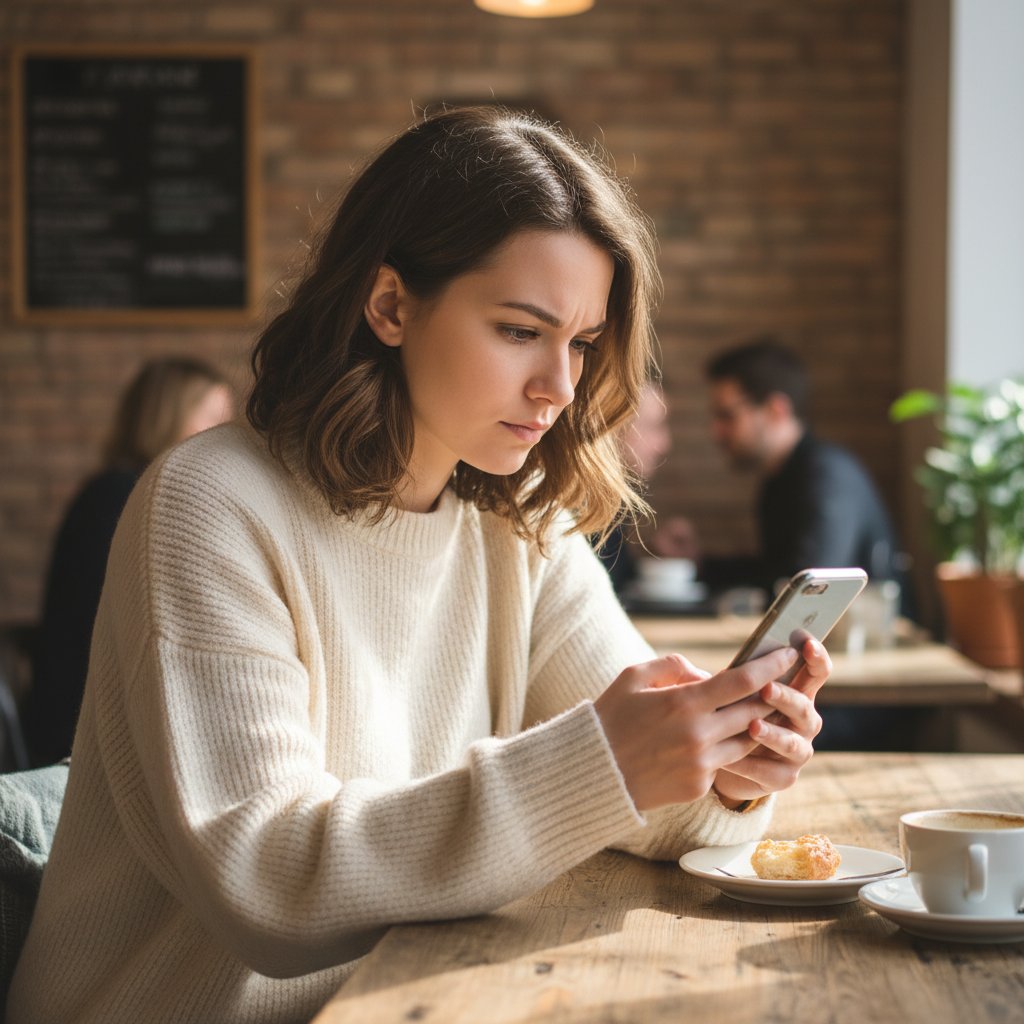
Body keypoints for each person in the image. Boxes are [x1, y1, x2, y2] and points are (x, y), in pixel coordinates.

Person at [8, 107, 831, 1024]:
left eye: (583, 344)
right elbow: (270, 888)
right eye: (521, 330)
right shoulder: (210, 503)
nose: (560, 387)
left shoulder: (522, 525)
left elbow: (634, 791)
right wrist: (614, 762)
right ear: (391, 305)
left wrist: (722, 769)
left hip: (409, 997)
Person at [23, 357, 234, 767]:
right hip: (83, 735)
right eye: (210, 419)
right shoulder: (119, 497)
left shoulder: (123, 492)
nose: (222, 439)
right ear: (165, 418)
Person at [696, 337, 906, 603]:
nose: (716, 432)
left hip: (882, 641)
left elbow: (809, 589)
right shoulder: (778, 481)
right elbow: (773, 572)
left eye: (727, 415)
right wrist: (699, 565)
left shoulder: (828, 477)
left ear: (776, 410)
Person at [596, 377, 697, 594]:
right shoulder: (582, 504)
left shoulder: (614, 498)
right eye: (653, 427)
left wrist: (651, 553)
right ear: (611, 425)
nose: (664, 444)